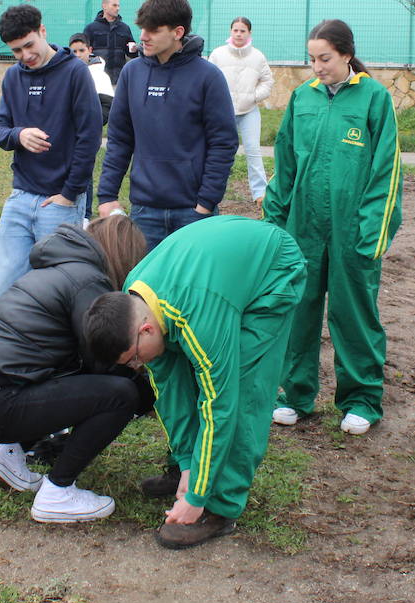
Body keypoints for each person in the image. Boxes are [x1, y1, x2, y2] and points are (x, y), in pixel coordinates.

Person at [83, 216, 307, 549]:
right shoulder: (137, 297)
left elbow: (221, 404)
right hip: (217, 277)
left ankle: (219, 508)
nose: (136, 366)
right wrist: (188, 465)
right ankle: (188, 472)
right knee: (177, 380)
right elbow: (170, 394)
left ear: (145, 330)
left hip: (272, 269)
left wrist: (197, 495)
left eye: (134, 358)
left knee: (241, 386)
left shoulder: (198, 319)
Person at [0, 215, 150, 523]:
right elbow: (101, 362)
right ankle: (58, 491)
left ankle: (10, 455)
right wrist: (146, 387)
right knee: (121, 394)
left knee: (69, 375)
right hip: (1, 398)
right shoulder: (89, 281)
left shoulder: (58, 267)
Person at [263, 19, 402, 436]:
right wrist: (275, 219)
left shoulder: (375, 99)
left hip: (352, 229)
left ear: (346, 54)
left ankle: (361, 399)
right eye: (312, 59)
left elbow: (387, 171)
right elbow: (285, 162)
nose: (317, 67)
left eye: (324, 58)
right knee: (299, 309)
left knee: (354, 312)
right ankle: (295, 393)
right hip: (303, 225)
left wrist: (373, 230)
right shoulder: (302, 98)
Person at [96, 0, 237, 251]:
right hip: (144, 211)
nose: (143, 36)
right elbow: (119, 139)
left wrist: (205, 203)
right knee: (144, 289)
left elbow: (224, 143)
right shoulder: (132, 73)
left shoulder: (208, 76)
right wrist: (107, 196)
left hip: (193, 213)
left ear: (178, 32)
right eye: (142, 28)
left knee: (192, 289)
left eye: (153, 30)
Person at [0, 5, 102, 300]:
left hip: (60, 201)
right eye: (16, 51)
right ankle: (8, 343)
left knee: (55, 293)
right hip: (20, 197)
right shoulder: (13, 78)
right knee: (4, 291)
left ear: (43, 32)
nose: (26, 55)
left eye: (29, 45)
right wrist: (19, 134)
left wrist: (68, 195)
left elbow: (89, 139)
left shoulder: (75, 72)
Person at [208, 16, 275, 203]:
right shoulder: (218, 54)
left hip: (249, 112)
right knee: (218, 151)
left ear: (249, 33)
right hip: (222, 112)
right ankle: (213, 191)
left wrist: (254, 96)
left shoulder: (257, 56)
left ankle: (260, 194)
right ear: (230, 31)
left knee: (253, 150)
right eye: (235, 30)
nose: (238, 34)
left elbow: (268, 81)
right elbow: (208, 80)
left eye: (242, 31)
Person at [82, 0, 136, 87]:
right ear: (104, 6)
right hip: (97, 80)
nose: (118, 8)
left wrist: (134, 50)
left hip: (118, 80)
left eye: (118, 5)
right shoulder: (91, 28)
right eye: (114, 5)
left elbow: (131, 54)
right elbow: (84, 52)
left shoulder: (124, 28)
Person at [68, 32, 114, 125]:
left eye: (82, 50)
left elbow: (107, 106)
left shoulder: (100, 75)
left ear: (90, 50)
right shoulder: (64, 72)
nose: (78, 55)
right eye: (74, 51)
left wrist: (90, 125)